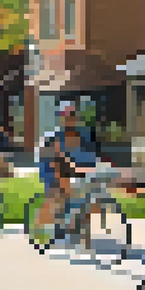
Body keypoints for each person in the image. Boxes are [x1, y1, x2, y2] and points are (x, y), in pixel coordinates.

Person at [33, 101, 100, 236]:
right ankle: (39, 228)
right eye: (66, 116)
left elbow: (90, 159)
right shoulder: (52, 137)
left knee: (90, 196)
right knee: (58, 193)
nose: (70, 119)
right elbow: (53, 160)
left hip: (73, 171)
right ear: (61, 118)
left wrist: (91, 170)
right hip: (53, 171)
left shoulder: (83, 137)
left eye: (72, 115)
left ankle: (76, 226)